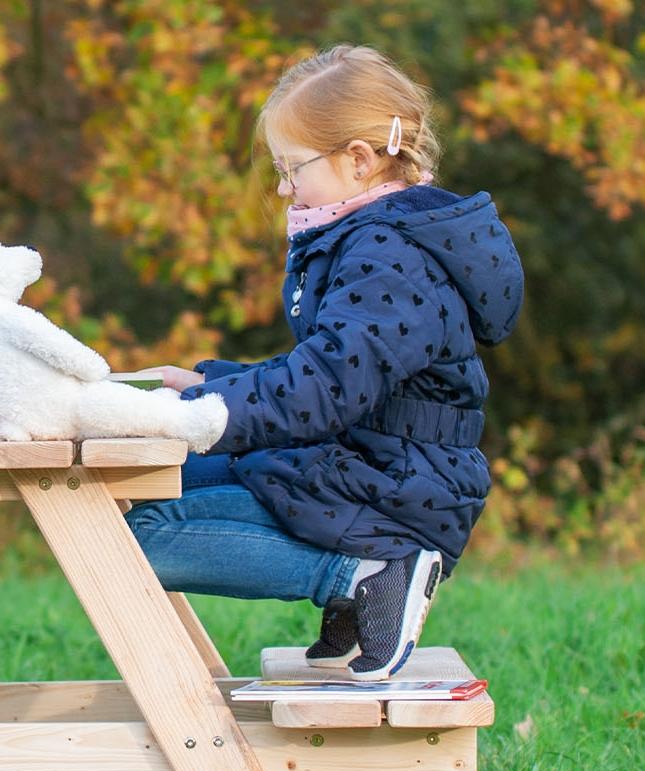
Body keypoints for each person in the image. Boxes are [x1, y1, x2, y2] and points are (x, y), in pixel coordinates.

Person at [131, 45, 524, 679]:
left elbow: (328, 388)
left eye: (293, 167)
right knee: (139, 489)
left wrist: (212, 412)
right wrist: (220, 384)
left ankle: (365, 573)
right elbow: (339, 368)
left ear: (360, 161)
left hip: (397, 486)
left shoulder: (390, 253)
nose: (285, 187)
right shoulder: (373, 236)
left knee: (125, 540)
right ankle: (351, 588)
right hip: (369, 462)